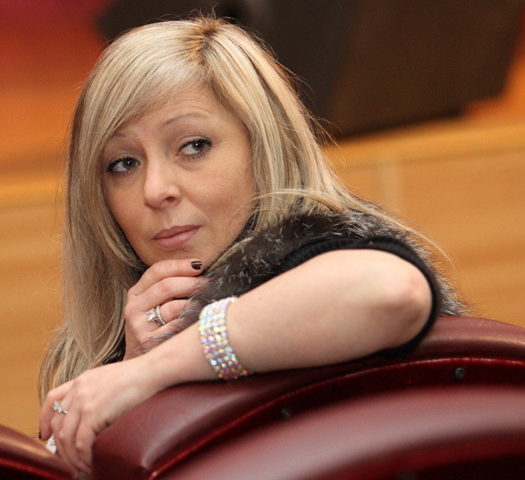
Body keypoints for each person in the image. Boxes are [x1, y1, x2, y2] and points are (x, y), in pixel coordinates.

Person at [37, 15, 466, 474]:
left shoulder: (319, 247)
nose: (155, 189)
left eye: (194, 146)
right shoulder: (112, 344)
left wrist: (153, 371)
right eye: (123, 163)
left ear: (263, 145)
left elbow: (390, 290)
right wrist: (128, 383)